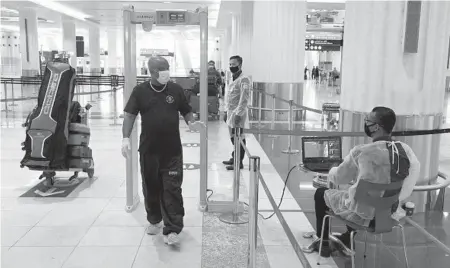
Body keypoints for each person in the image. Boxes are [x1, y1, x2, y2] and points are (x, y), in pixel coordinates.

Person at [302, 107, 420, 257]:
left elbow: (339, 177)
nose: (365, 123)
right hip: (389, 214)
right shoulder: (405, 150)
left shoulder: (361, 151)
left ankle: (323, 243)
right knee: (358, 196)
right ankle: (346, 238)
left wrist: (331, 169)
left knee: (321, 194)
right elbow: (413, 172)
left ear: (376, 127)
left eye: (368, 121)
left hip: (363, 216)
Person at [121, 56, 204, 246]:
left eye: (167, 68)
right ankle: (154, 219)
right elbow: (129, 115)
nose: (166, 72)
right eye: (161, 69)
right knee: (151, 187)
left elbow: (186, 109)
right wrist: (125, 137)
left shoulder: (175, 89)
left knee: (172, 188)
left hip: (172, 150)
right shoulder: (140, 91)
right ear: (151, 72)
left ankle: (173, 228)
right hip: (149, 150)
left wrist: (191, 122)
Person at [222, 55, 250, 171]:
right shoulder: (231, 78)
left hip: (238, 114)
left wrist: (238, 114)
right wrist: (225, 111)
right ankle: (234, 157)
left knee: (239, 137)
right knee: (233, 137)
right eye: (230, 64)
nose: (231, 67)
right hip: (230, 112)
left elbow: (244, 99)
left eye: (234, 64)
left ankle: (239, 162)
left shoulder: (244, 79)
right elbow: (228, 96)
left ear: (240, 65)